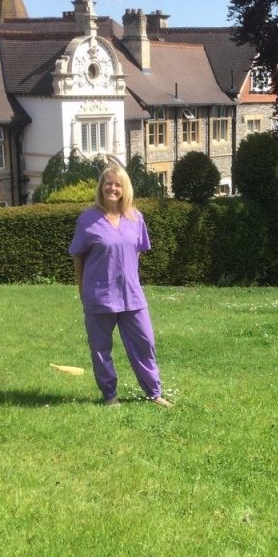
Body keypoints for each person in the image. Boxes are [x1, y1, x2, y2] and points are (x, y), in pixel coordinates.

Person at [69, 168, 172, 407]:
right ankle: (110, 395)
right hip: (98, 296)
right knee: (100, 349)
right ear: (101, 187)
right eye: (108, 184)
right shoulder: (87, 220)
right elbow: (78, 258)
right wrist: (82, 291)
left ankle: (153, 393)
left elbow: (135, 253)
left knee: (145, 343)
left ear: (125, 189)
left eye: (117, 184)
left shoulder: (135, 218)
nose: (112, 188)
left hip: (132, 296)